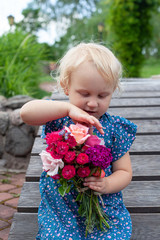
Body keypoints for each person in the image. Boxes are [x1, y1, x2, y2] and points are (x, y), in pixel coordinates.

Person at [20, 42, 137, 240]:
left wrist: (107, 184)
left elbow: (125, 172)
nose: (92, 103)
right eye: (84, 94)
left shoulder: (115, 128)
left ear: (113, 91)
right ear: (66, 87)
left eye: (102, 95)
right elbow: (26, 113)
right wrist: (66, 109)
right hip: (61, 210)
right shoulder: (59, 118)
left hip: (102, 207)